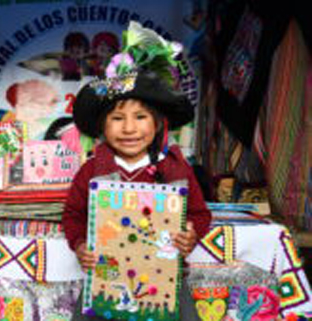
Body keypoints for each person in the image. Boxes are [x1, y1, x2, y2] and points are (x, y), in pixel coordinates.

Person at [62, 21, 211, 320]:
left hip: (165, 279)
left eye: (141, 117)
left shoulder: (175, 167)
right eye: (117, 118)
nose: (129, 128)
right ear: (103, 127)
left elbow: (199, 213)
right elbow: (74, 215)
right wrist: (80, 245)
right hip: (105, 279)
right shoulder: (92, 170)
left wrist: (190, 233)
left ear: (157, 125)